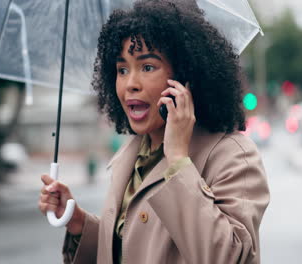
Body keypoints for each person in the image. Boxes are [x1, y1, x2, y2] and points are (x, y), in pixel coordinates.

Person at [38, 0, 270, 263]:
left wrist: (179, 161)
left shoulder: (233, 156)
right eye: (122, 69)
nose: (130, 84)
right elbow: (134, 246)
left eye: (147, 67)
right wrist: (79, 223)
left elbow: (227, 257)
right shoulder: (134, 153)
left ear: (185, 76)